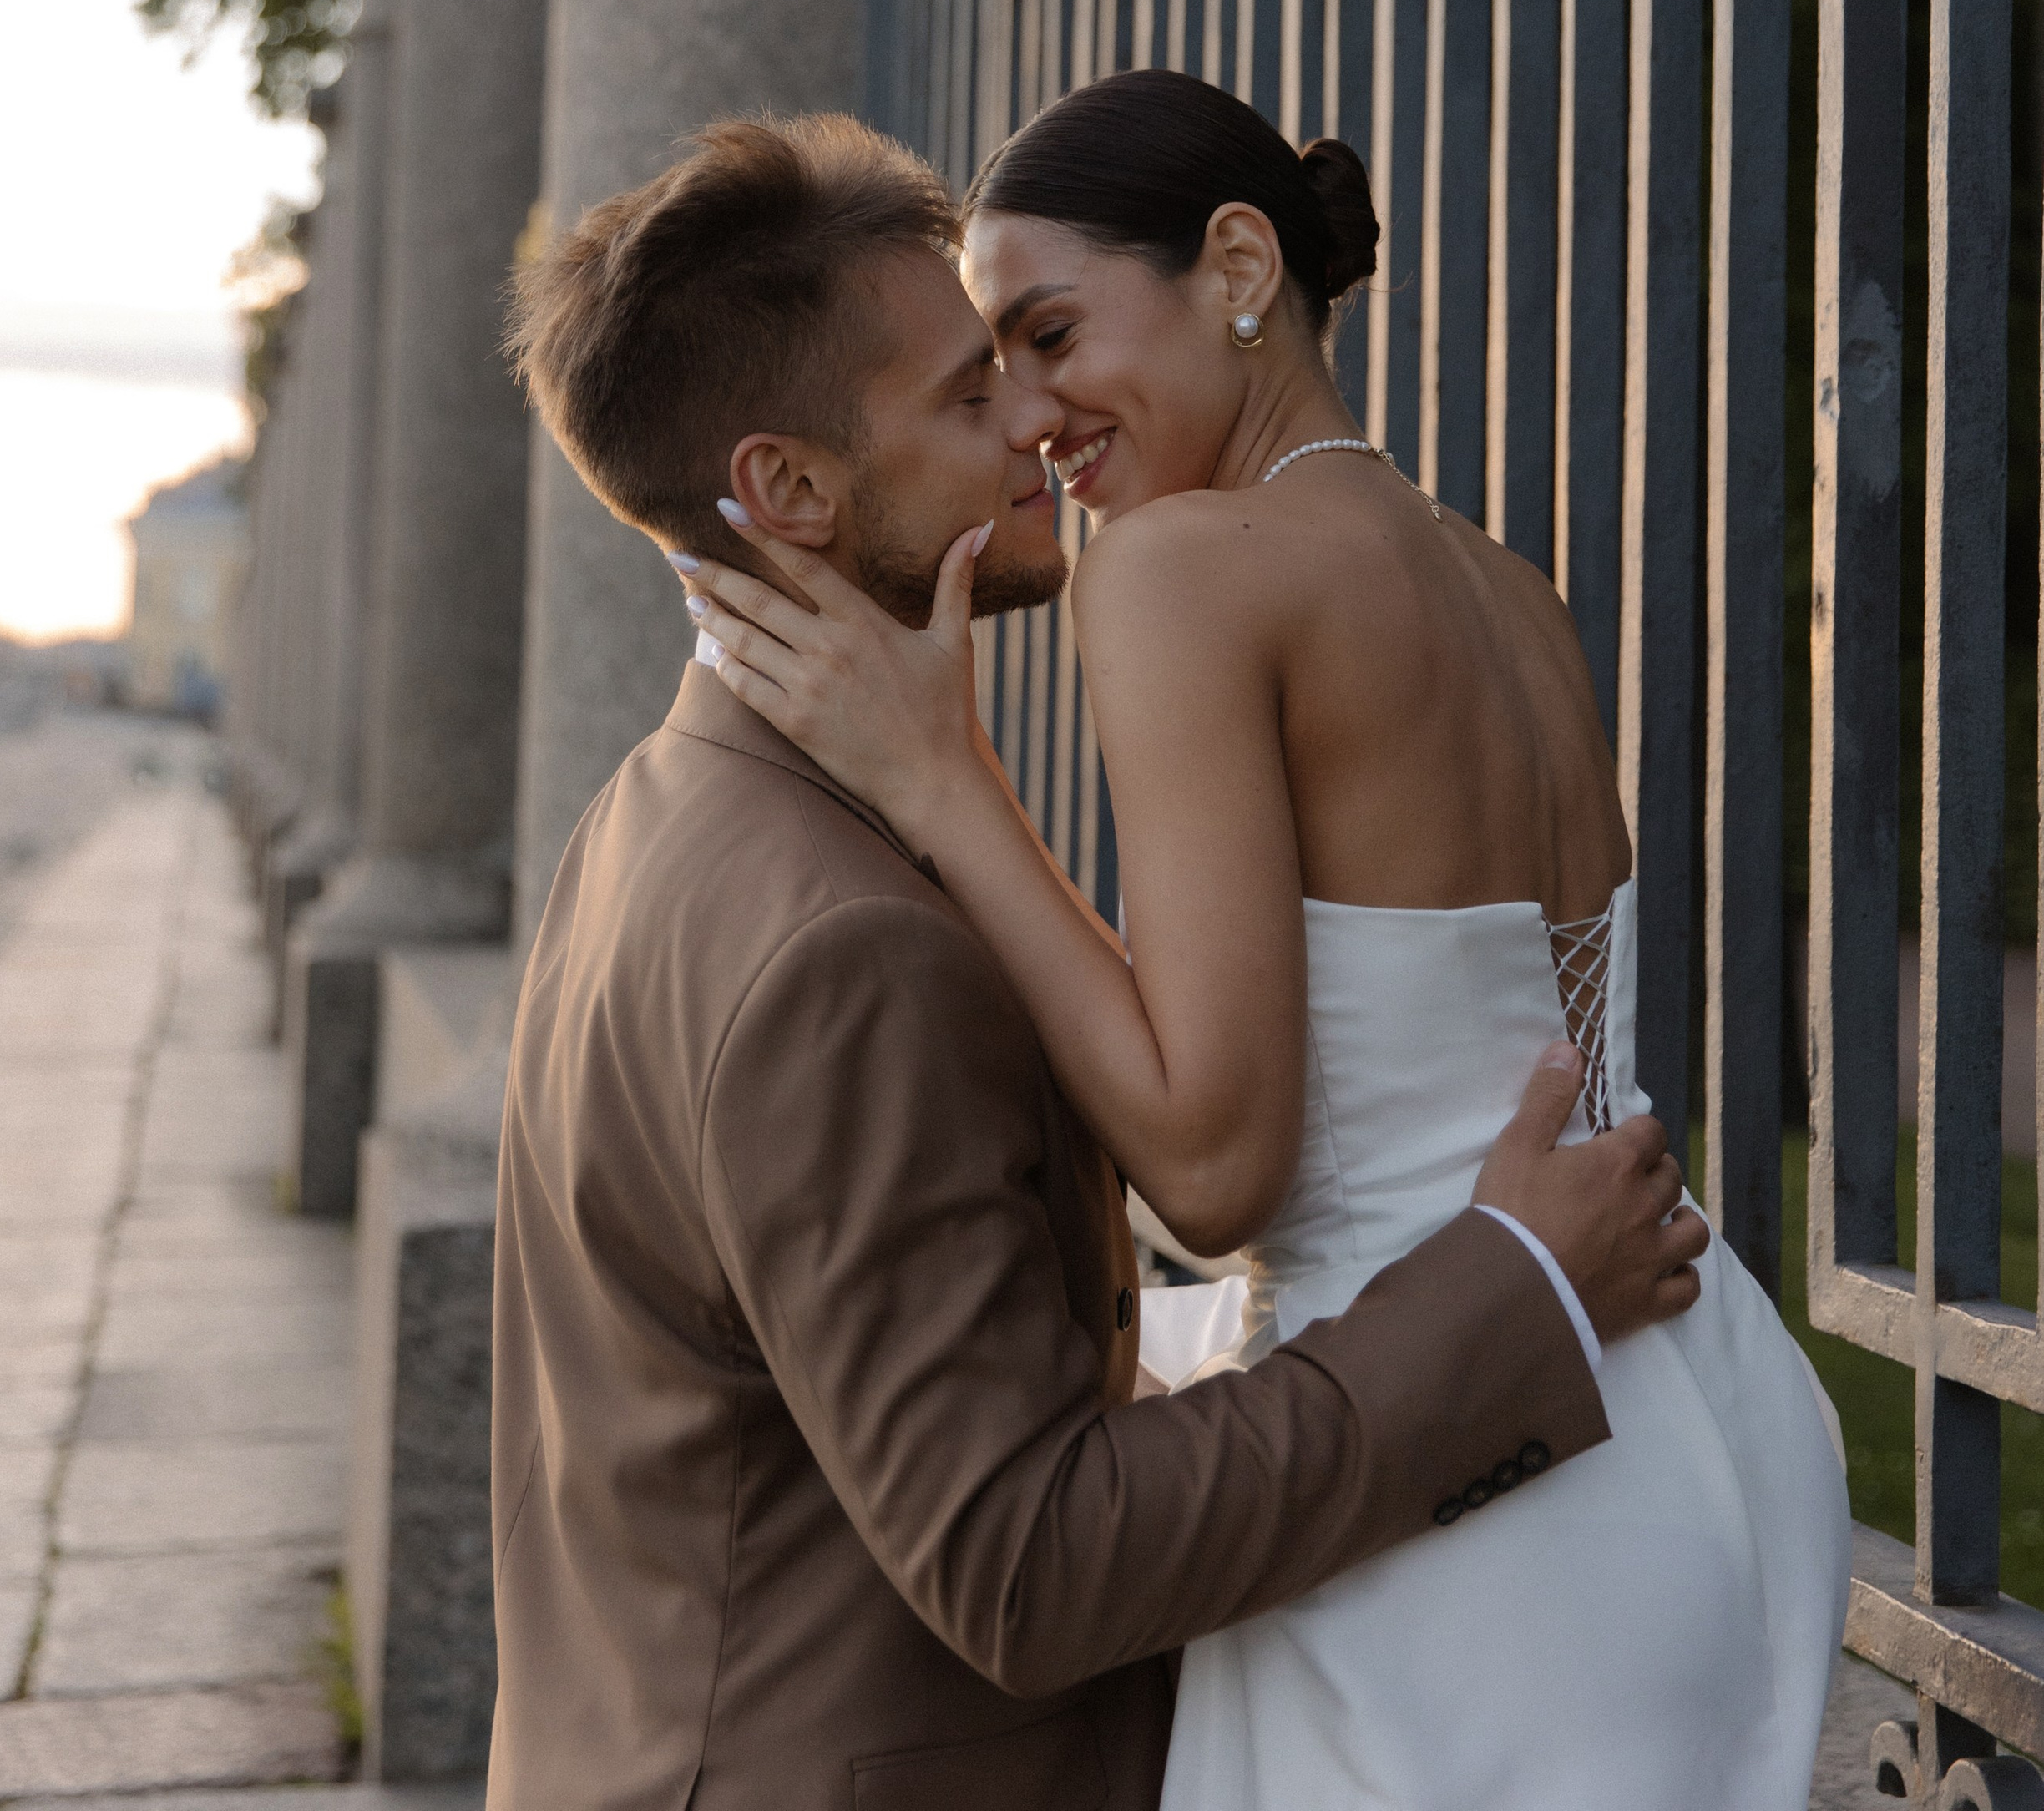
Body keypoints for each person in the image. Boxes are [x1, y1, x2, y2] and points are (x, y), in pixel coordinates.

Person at [495, 109, 1706, 1811]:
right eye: (966, 390)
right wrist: (1504, 1293)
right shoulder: (837, 950)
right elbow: (1025, 1561)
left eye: (1031, 353)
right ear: (787, 487)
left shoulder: (651, 824)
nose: (1031, 426)